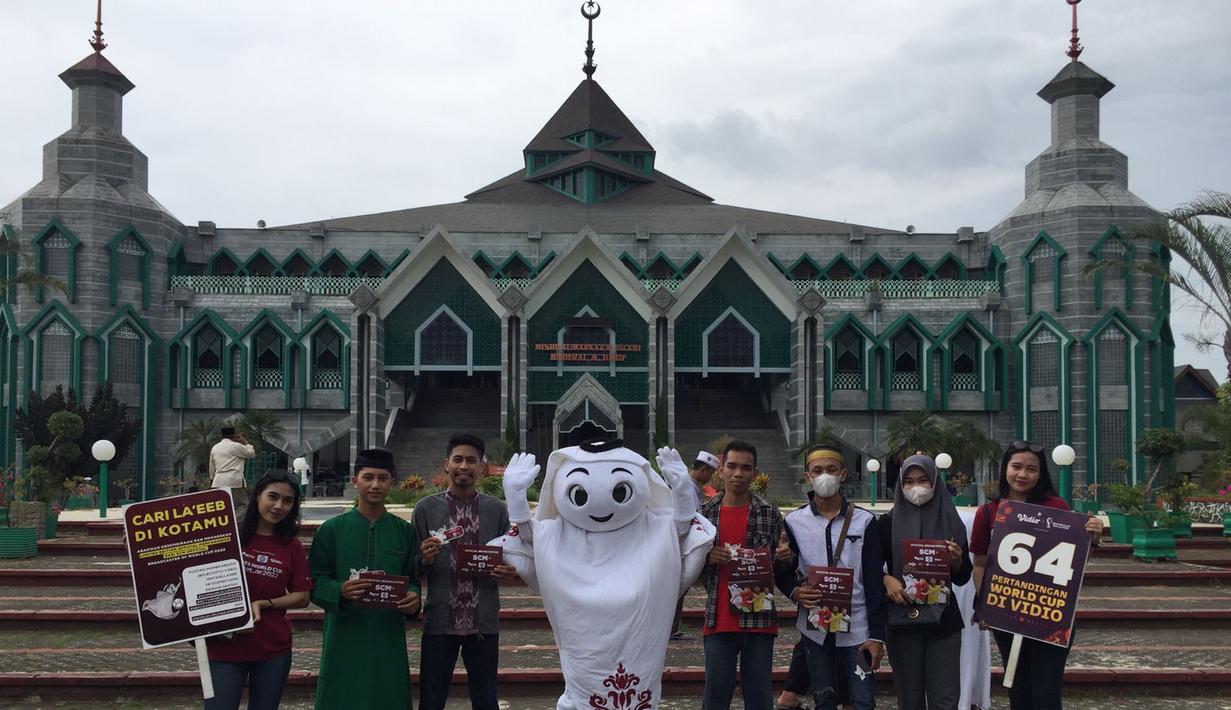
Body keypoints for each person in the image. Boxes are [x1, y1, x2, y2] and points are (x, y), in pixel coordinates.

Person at [493, 441, 715, 708]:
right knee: (583, 689)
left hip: (637, 636)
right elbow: (532, 537)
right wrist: (516, 501)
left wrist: (681, 492)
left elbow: (680, 529)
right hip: (583, 637)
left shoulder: (649, 527)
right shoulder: (561, 532)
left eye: (621, 491)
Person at [970, 441, 1103, 710]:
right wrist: (985, 605)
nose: (1022, 474)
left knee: (1046, 694)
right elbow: (980, 564)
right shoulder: (988, 512)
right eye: (1016, 466)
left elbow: (1073, 563)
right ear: (1005, 469)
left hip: (1049, 613)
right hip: (1007, 612)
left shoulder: (1057, 506)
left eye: (1031, 469)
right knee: (1018, 690)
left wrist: (1093, 536)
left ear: (1040, 474)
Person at [309, 448, 421, 709]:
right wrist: (340, 590)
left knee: (388, 694)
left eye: (383, 478)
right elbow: (314, 581)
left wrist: (414, 597)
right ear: (354, 480)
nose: (375, 485)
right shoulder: (331, 530)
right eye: (368, 477)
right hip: (344, 634)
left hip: (387, 634)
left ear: (391, 482)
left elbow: (412, 577)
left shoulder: (404, 532)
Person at [775, 445, 885, 710]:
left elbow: (873, 580)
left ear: (843, 474)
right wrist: (795, 591)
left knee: (862, 699)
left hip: (858, 631)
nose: (825, 476)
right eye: (818, 470)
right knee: (823, 697)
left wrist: (878, 636)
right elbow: (784, 572)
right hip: (816, 630)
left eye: (831, 470)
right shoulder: (794, 521)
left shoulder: (865, 521)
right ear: (807, 477)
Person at [414, 434, 517, 710]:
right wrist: (423, 559)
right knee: (431, 699)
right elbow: (412, 568)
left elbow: (511, 557)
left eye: (471, 460)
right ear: (445, 464)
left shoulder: (496, 510)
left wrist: (507, 571)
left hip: (482, 621)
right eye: (458, 459)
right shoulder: (425, 509)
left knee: (485, 700)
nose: (464, 466)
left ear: (482, 468)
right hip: (439, 620)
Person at [205, 471, 312, 710]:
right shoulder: (226, 535)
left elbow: (303, 596)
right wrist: (142, 546)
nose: (278, 506)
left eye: (287, 501)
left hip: (272, 651)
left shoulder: (291, 545)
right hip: (224, 647)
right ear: (257, 497)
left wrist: (265, 603)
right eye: (272, 496)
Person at [700, 440, 791, 710]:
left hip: (759, 618)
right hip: (719, 619)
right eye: (732, 466)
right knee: (715, 696)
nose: (739, 473)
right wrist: (706, 557)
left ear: (755, 473)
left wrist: (786, 558)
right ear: (721, 469)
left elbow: (780, 567)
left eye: (746, 468)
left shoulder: (770, 514)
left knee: (760, 696)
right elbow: (688, 567)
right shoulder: (705, 515)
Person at [878, 453, 971, 710]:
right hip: (903, 619)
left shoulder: (952, 522)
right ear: (900, 485)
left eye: (923, 480)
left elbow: (963, 577)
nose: (915, 487)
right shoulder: (886, 524)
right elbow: (871, 570)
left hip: (944, 622)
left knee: (945, 699)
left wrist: (956, 562)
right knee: (910, 699)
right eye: (908, 481)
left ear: (935, 482)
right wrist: (887, 579)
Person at [670, 449, 722, 641]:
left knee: (681, 585)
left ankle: (672, 628)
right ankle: (670, 629)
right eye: (709, 473)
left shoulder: (692, 487)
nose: (709, 477)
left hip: (689, 543)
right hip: (685, 544)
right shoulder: (687, 488)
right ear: (702, 470)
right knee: (679, 586)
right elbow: (691, 517)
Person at [210, 426, 256, 513]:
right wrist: (245, 442)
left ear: (222, 436)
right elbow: (251, 454)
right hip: (233, 480)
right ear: (233, 435)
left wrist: (212, 480)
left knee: (221, 508)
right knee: (244, 506)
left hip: (218, 481)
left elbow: (211, 467)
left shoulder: (215, 447)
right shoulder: (236, 446)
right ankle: (234, 524)